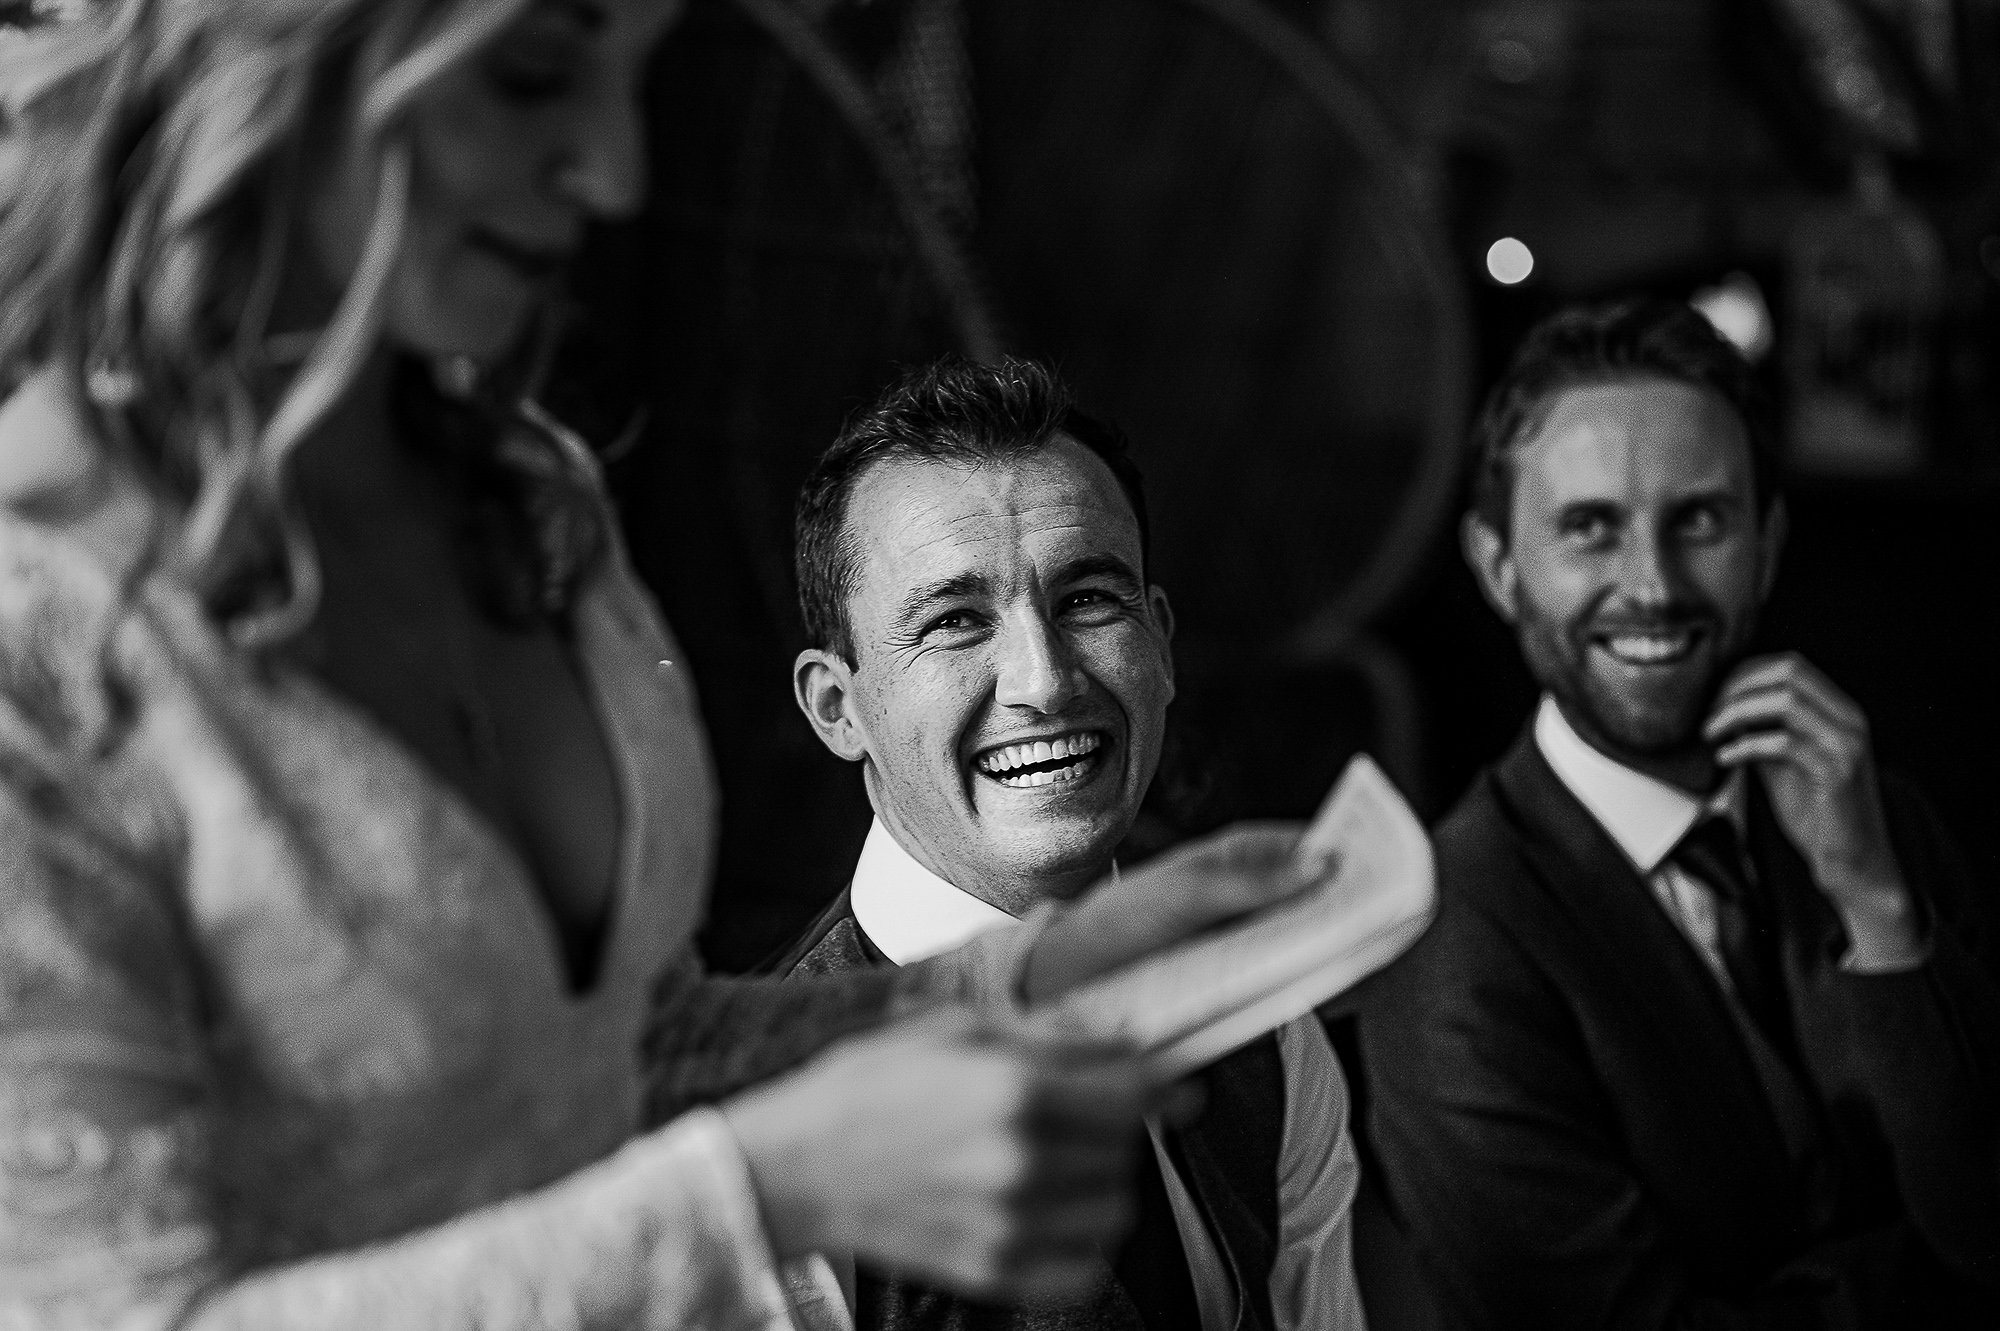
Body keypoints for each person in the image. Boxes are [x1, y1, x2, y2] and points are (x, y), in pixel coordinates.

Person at [0, 2, 1324, 1326]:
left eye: (633, 83)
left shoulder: (527, 505)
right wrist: (762, 1193)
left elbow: (625, 1048)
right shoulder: (31, 630)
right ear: (278, 68)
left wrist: (1018, 978)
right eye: (531, 80)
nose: (616, 170)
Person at [1352, 299, 2000, 1329]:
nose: (1650, 585)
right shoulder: (1445, 933)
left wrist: (1875, 901)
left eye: (1697, 519)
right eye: (1588, 527)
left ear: (1766, 542)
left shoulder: (1875, 818)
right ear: (1495, 565)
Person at [777, 356, 1368, 1331]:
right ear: (839, 707)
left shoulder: (1264, 1023)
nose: (1043, 681)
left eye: (1088, 599)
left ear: (1161, 644)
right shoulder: (772, 1136)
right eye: (955, 619)